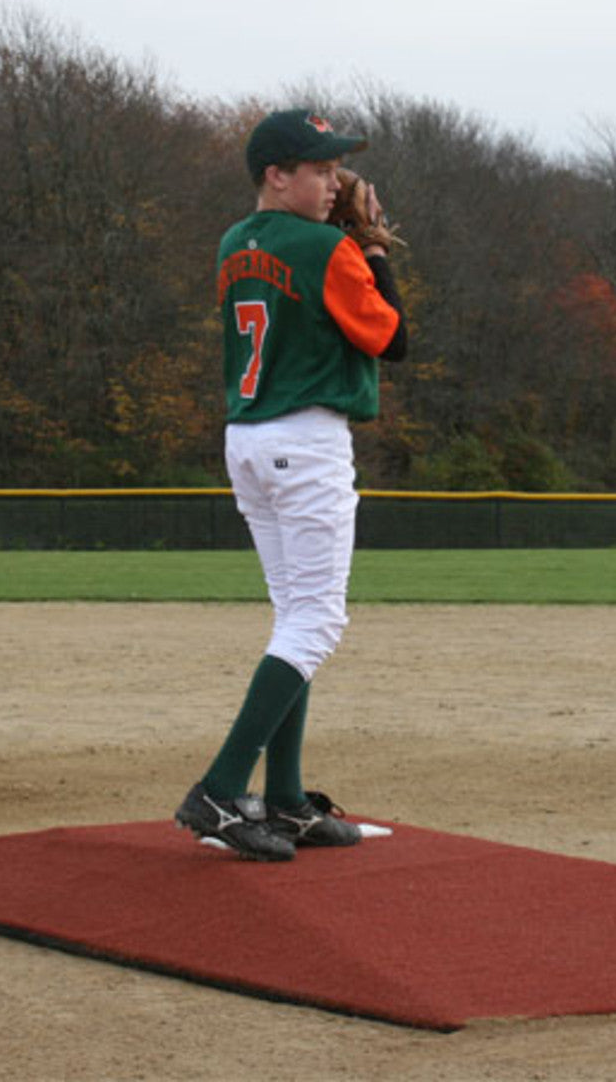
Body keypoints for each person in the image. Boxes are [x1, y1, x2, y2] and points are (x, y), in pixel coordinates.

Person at [174, 109, 408, 862]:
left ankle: (284, 799)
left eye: (336, 169)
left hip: (247, 438)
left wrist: (341, 237)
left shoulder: (231, 243)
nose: (335, 182)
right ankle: (219, 788)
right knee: (316, 622)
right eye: (319, 170)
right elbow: (393, 337)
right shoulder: (330, 249)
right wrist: (370, 245)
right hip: (305, 443)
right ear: (277, 174)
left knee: (294, 619)